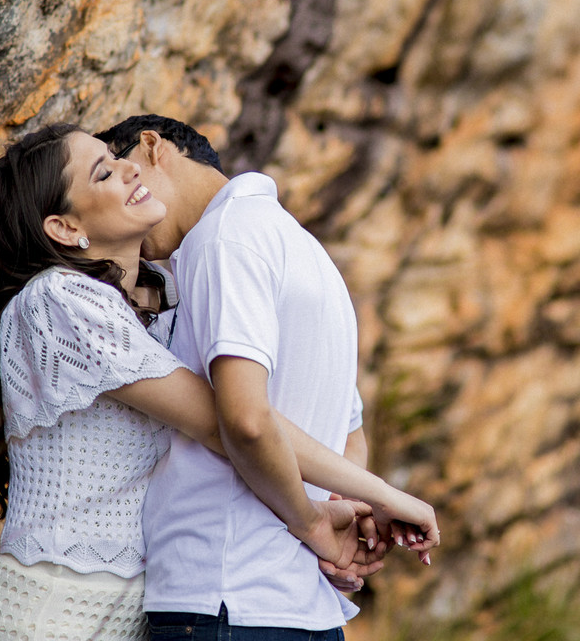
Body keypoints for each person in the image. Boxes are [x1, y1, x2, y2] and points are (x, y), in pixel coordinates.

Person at [0, 124, 437, 640]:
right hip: (50, 613)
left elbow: (306, 415)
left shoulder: (167, 295)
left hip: (130, 617)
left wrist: (342, 507)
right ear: (64, 227)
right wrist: (357, 504)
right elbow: (227, 422)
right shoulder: (56, 302)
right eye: (105, 170)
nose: (129, 168)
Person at [95, 116, 433, 641]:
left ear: (152, 146)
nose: (127, 214)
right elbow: (351, 434)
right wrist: (342, 518)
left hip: (224, 594)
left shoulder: (223, 238)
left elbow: (247, 419)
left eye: (120, 175)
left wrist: (314, 524)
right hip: (302, 607)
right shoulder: (307, 252)